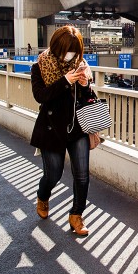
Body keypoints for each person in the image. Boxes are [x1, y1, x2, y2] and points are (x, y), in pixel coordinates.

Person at [30, 25, 94, 236]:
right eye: (68, 50)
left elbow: (89, 99)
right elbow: (41, 96)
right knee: (53, 175)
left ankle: (77, 215)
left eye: (75, 51)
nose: (71, 55)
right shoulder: (40, 65)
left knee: (82, 176)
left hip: (78, 128)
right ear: (57, 47)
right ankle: (42, 196)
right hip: (52, 130)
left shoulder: (81, 65)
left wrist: (85, 85)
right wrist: (65, 81)